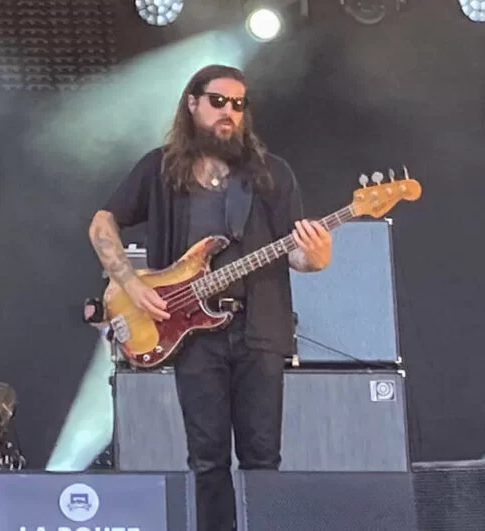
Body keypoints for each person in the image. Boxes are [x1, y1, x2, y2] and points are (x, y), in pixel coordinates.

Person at [89, 65, 330, 531]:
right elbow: (102, 222)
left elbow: (298, 256)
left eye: (238, 105)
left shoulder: (272, 173)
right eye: (218, 101)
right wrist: (131, 283)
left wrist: (317, 257)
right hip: (193, 335)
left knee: (263, 458)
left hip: (259, 330)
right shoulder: (159, 169)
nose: (229, 113)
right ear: (192, 103)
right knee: (207, 458)